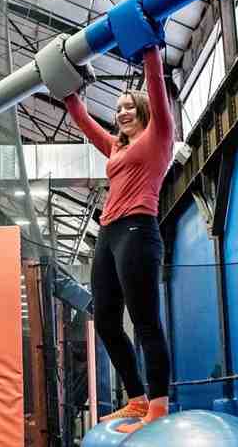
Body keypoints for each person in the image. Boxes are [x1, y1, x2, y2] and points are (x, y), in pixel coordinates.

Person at [64, 45, 174, 434]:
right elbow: (84, 123)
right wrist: (66, 91)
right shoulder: (116, 146)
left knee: (145, 321)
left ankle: (158, 407)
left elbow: (157, 89)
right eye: (118, 108)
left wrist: (149, 52)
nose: (122, 112)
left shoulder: (159, 134)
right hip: (108, 233)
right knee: (107, 322)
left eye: (129, 106)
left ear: (142, 110)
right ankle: (136, 398)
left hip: (138, 230)